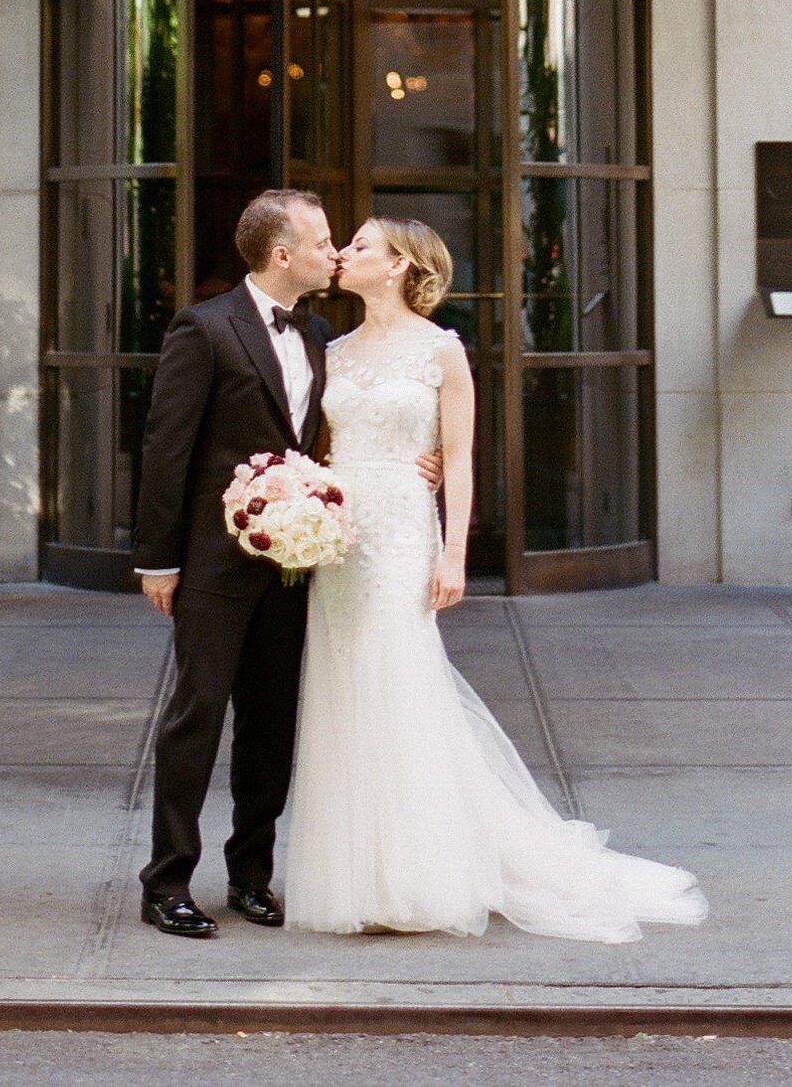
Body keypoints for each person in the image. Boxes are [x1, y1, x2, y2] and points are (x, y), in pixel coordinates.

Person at [285, 215, 710, 939]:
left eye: (358, 245)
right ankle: (360, 870)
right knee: (342, 683)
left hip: (401, 537)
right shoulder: (334, 347)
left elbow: (458, 457)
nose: (342, 253)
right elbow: (319, 441)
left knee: (398, 679)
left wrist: (454, 553)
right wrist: (303, 499)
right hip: (340, 538)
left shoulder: (440, 350)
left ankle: (418, 872)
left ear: (397, 265)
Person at [133, 187, 374, 937]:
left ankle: (250, 875)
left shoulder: (320, 332)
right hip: (210, 562)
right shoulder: (202, 329)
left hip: (293, 564)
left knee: (270, 723)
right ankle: (166, 880)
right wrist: (157, 562)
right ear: (281, 254)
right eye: (321, 239)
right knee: (196, 716)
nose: (332, 251)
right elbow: (165, 449)